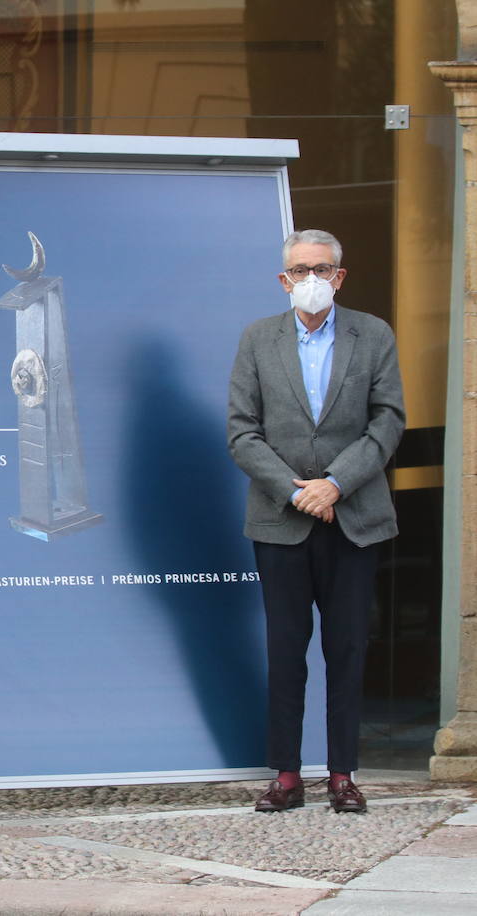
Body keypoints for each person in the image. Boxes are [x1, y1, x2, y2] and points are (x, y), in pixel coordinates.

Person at [227, 229, 404, 815]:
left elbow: (387, 421)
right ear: (284, 280)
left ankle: (342, 774)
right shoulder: (257, 339)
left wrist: (336, 484)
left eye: (322, 269)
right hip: (282, 522)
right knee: (285, 650)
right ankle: (285, 775)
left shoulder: (373, 334)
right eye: (300, 270)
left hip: (354, 518)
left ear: (339, 277)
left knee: (347, 649)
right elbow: (242, 431)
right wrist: (296, 491)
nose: (311, 279)